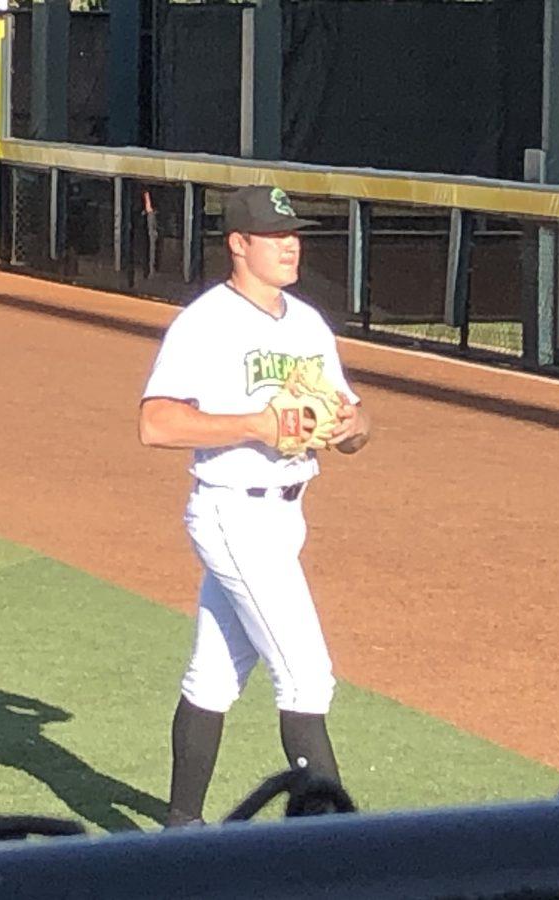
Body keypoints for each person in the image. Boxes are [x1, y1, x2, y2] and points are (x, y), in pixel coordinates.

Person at [138, 184, 372, 827]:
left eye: (293, 233)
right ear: (238, 245)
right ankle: (329, 847)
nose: (290, 244)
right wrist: (256, 426)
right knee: (307, 676)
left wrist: (348, 426)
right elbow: (156, 424)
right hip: (232, 510)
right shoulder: (204, 323)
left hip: (286, 514)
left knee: (214, 673)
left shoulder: (307, 324)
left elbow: (358, 423)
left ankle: (179, 830)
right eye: (275, 235)